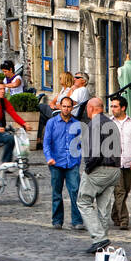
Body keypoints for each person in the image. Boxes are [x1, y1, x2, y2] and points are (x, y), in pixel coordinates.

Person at [77, 96, 121, 253]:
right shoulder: (112, 123)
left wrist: (88, 168)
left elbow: (94, 153)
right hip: (115, 169)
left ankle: (99, 238)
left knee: (83, 201)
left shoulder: (93, 125)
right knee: (103, 207)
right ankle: (103, 242)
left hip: (100, 169)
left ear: (90, 108)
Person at [44, 95, 84, 229]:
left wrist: (78, 158)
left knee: (75, 191)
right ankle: (57, 220)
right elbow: (47, 143)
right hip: (56, 162)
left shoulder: (76, 124)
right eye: (64, 106)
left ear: (72, 108)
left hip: (72, 163)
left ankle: (77, 221)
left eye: (69, 107)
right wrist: (49, 157)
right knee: (57, 192)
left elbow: (80, 143)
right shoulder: (52, 123)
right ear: (60, 106)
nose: (66, 109)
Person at [109, 95, 131, 230]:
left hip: (128, 162)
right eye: (111, 106)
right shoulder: (108, 123)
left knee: (126, 190)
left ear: (123, 108)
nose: (112, 109)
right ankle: (124, 219)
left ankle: (115, 214)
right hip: (114, 163)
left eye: (115, 106)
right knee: (119, 191)